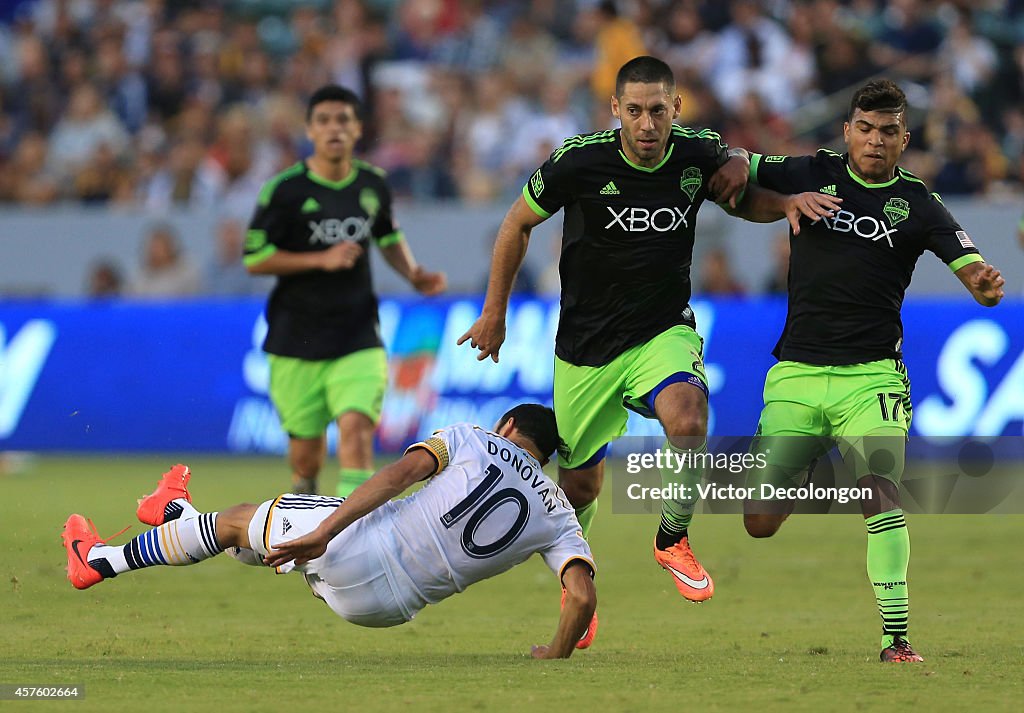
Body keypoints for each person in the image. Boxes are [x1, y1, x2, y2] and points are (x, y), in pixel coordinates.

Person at [458, 56, 839, 603]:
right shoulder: (578, 161)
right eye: (633, 111)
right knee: (581, 486)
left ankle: (672, 537)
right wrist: (495, 312)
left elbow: (740, 197)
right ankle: (577, 588)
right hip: (586, 348)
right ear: (615, 110)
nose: (646, 124)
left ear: (675, 108)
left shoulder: (696, 152)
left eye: (657, 110)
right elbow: (516, 222)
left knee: (688, 419)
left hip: (663, 331)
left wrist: (783, 203)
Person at [741, 79, 1005, 663]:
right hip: (797, 375)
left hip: (873, 379)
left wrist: (984, 285)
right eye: (865, 129)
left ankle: (896, 639)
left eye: (888, 132)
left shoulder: (918, 204)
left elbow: (973, 272)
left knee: (880, 491)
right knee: (758, 521)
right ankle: (812, 458)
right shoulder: (813, 172)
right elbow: (736, 168)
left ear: (904, 139)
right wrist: (778, 201)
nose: (875, 141)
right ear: (847, 131)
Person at [61, 404, 597, 659]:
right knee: (257, 536)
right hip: (384, 611)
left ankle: (101, 560)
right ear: (546, 456)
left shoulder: (474, 438)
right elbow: (580, 596)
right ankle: (178, 517)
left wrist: (330, 530)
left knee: (238, 521)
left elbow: (397, 476)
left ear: (506, 427)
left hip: (357, 544)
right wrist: (556, 653)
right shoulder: (559, 513)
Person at [244, 85, 446, 497]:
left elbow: (388, 236)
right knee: (306, 456)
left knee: (356, 430)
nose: (334, 128)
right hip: (295, 338)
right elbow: (255, 257)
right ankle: (305, 502)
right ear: (310, 131)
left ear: (357, 130)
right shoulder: (284, 190)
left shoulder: (373, 185)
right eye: (324, 121)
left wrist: (413, 274)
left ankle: (351, 540)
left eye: (343, 120)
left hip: (357, 334)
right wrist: (319, 259)